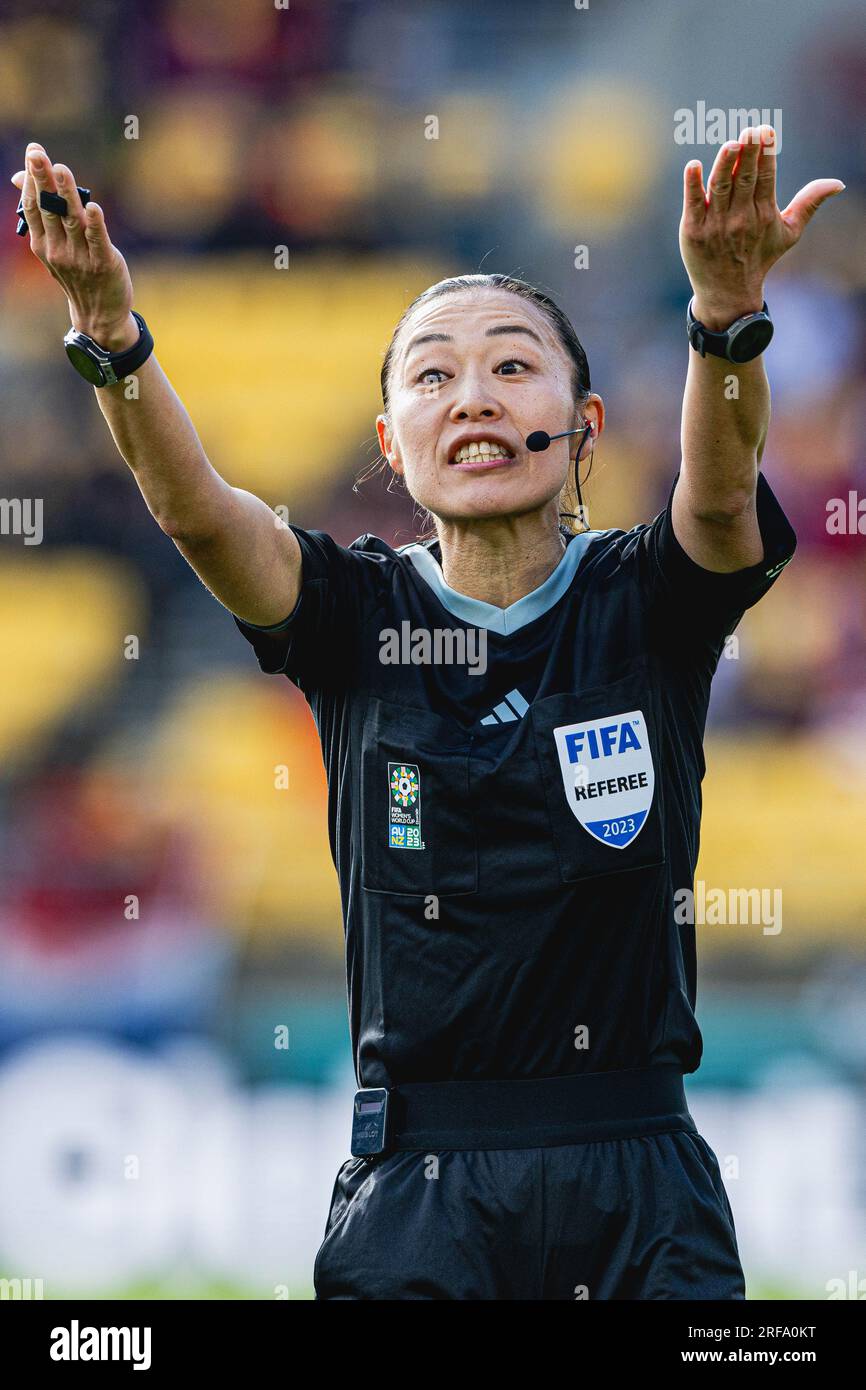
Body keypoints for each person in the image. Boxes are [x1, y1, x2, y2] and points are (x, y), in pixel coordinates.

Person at [13, 127, 843, 1299]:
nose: (475, 398)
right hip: (417, 1198)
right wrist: (110, 338)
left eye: (513, 367)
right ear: (391, 446)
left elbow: (716, 497)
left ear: (585, 429)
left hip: (642, 1194)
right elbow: (196, 513)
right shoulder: (352, 614)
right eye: (432, 376)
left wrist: (719, 319)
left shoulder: (644, 601)